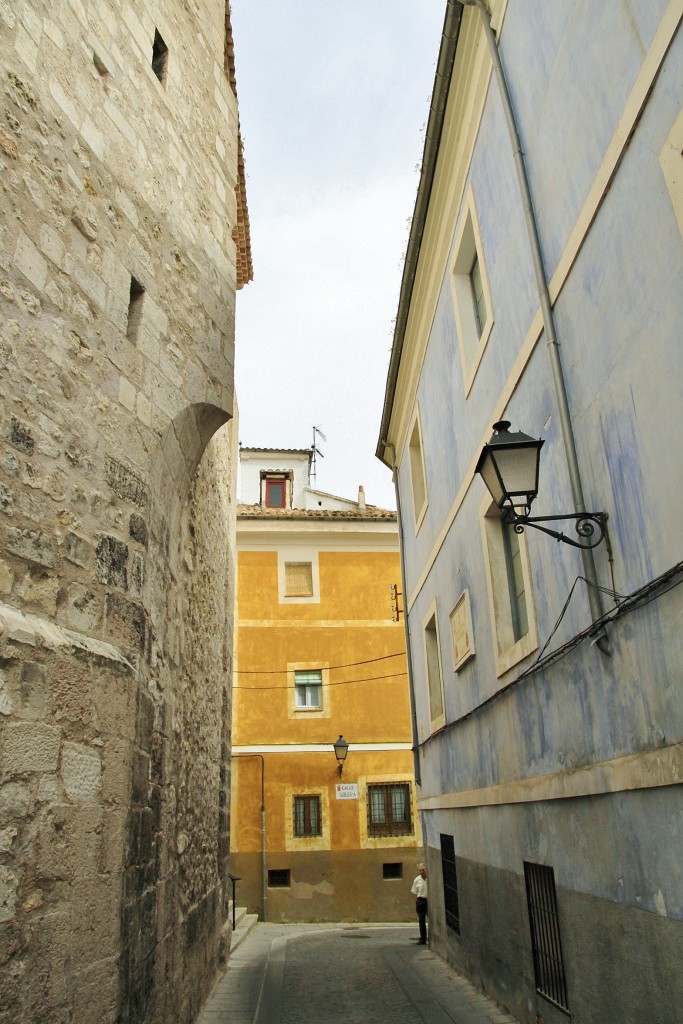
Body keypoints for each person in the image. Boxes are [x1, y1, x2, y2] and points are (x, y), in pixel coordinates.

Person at [411, 863, 428, 944]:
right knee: (421, 921)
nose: (422, 872)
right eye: (420, 870)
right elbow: (414, 891)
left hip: (429, 900)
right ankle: (423, 939)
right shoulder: (417, 880)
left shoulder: (430, 878)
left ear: (426, 870)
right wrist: (417, 902)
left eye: (423, 870)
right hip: (421, 901)